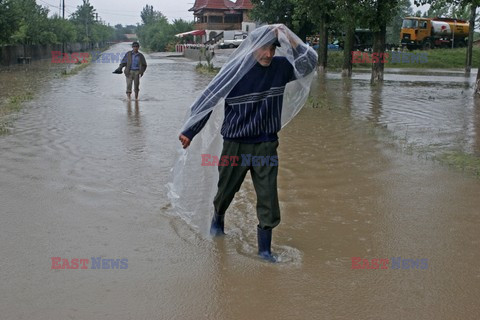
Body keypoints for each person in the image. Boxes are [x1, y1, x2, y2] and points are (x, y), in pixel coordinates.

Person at [177, 25, 317, 262]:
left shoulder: (281, 68)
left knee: (268, 197)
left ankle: (264, 250)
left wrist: (287, 34)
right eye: (264, 48)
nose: (269, 54)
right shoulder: (236, 70)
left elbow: (309, 63)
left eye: (273, 48)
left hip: (266, 145)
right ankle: (218, 219)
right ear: (253, 47)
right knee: (225, 191)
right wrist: (190, 131)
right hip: (236, 145)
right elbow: (209, 98)